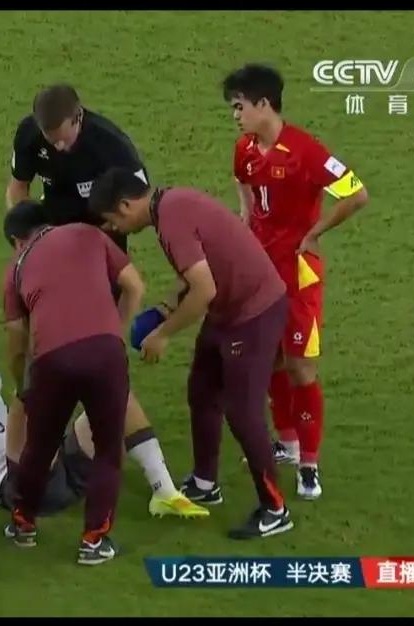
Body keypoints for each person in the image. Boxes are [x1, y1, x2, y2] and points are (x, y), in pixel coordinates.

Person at [89, 168, 294, 540]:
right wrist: (168, 305)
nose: (114, 228)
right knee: (202, 390)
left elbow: (204, 290)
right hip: (229, 310)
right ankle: (204, 481)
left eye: (112, 219)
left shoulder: (171, 219)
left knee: (243, 413)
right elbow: (198, 268)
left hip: (253, 313)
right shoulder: (170, 205)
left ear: (125, 205)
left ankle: (275, 509)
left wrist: (162, 335)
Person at [0, 320, 208, 522]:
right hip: (19, 486)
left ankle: (164, 491)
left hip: (60, 467)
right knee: (26, 398)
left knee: (117, 396)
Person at [223, 64, 370, 499]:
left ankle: (309, 464)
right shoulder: (245, 148)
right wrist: (245, 218)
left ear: (263, 104)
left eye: (240, 107)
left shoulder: (306, 151)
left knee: (301, 367)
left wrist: (315, 232)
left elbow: (356, 194)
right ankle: (286, 443)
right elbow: (242, 181)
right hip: (259, 272)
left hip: (297, 275)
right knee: (268, 357)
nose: (235, 116)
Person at [0, 200, 143, 566]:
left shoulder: (16, 268)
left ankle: (23, 524)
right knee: (108, 449)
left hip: (52, 360)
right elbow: (135, 286)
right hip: (105, 354)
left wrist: (22, 384)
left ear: (17, 240)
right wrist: (114, 333)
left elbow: (16, 339)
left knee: (39, 446)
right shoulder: (88, 233)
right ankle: (94, 542)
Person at [6, 83, 148, 251]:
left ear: (78, 117)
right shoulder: (28, 135)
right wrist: (26, 232)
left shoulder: (110, 143)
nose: (59, 147)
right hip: (55, 228)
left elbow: (141, 200)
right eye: (52, 141)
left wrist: (111, 227)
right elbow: (19, 186)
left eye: (64, 139)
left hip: (103, 234)